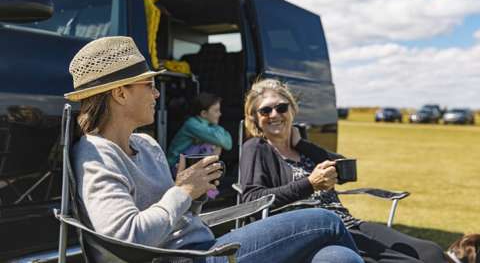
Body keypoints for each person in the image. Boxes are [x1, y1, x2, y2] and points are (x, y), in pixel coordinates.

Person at [65, 36, 363, 263]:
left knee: (337, 257)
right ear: (120, 93)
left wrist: (193, 196)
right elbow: (127, 237)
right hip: (191, 258)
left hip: (204, 246)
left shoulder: (146, 145)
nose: (157, 93)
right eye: (149, 85)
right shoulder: (96, 156)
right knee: (326, 220)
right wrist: (182, 191)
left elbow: (178, 218)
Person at [240, 78, 447, 263]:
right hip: (313, 230)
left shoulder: (302, 149)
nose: (275, 114)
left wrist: (303, 145)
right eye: (265, 111)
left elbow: (347, 170)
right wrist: (310, 184)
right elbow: (252, 199)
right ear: (255, 118)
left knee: (431, 252)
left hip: (347, 222)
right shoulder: (257, 148)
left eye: (281, 107)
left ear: (292, 110)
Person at [167, 92, 232, 171]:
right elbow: (225, 143)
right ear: (204, 113)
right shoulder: (192, 124)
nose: (220, 114)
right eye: (216, 111)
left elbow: (228, 144)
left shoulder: (209, 125)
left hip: (189, 166)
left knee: (216, 144)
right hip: (176, 166)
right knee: (213, 144)